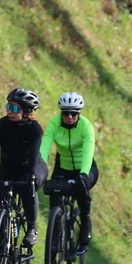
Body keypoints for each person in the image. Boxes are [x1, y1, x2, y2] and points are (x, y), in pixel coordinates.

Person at [0, 88, 47, 249]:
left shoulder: (34, 129)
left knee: (29, 186)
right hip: (8, 167)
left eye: (14, 108)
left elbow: (34, 155)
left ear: (26, 112)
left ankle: (32, 227)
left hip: (31, 166)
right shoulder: (1, 125)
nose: (9, 111)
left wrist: (31, 177)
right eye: (8, 106)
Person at [39, 92, 98, 247]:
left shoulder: (86, 126)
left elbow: (88, 152)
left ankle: (85, 221)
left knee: (81, 187)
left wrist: (84, 174)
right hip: (63, 167)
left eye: (73, 113)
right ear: (61, 113)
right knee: (54, 195)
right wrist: (40, 167)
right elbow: (45, 147)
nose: (70, 117)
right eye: (66, 113)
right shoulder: (54, 123)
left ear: (78, 113)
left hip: (85, 167)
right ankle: (54, 239)